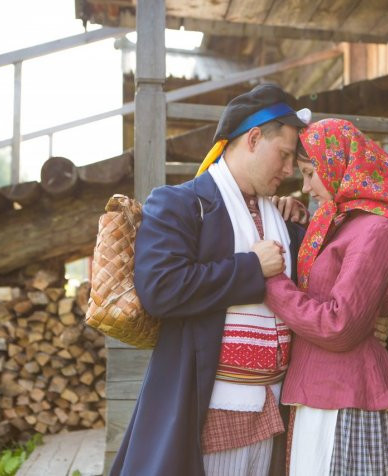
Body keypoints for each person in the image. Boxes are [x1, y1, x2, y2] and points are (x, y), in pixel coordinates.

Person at [110, 84, 309, 476]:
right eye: (285, 155)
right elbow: (161, 289)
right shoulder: (178, 202)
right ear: (254, 138)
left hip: (273, 408)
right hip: (208, 407)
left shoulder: (280, 215)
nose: (290, 171)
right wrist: (251, 268)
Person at [263, 118, 388, 475]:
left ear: (342, 164)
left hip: (345, 398)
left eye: (310, 174)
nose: (305, 187)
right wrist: (301, 223)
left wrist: (269, 281)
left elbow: (340, 325)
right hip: (321, 391)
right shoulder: (342, 223)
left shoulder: (378, 230)